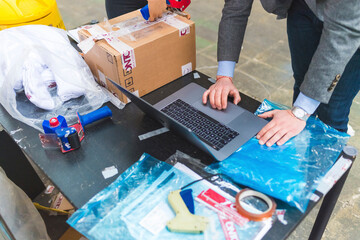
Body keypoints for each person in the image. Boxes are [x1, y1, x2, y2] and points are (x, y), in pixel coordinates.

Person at [202, 0, 360, 147]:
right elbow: (236, 7)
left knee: (333, 108)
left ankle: (326, 166)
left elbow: (343, 34)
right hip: (304, 6)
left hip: (351, 24)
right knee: (303, 82)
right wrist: (224, 76)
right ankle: (300, 154)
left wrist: (300, 112)